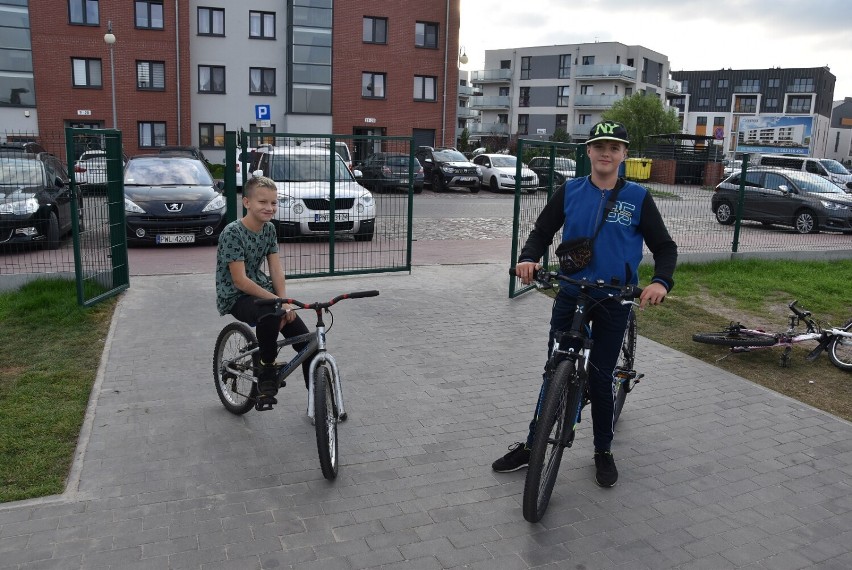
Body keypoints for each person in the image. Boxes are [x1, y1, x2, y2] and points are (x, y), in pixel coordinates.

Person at [492, 121, 678, 487]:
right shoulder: (571, 190)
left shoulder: (638, 197)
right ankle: (533, 445)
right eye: (599, 146)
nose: (606, 153)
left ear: (624, 154)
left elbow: (665, 248)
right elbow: (542, 232)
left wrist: (660, 282)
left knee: (601, 374)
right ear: (589, 152)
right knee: (555, 367)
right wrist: (529, 258)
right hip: (572, 290)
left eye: (614, 147)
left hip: (614, 297)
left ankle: (603, 450)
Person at [215, 173, 310, 406]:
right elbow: (240, 281)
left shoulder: (268, 230)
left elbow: (276, 270)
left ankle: (318, 403)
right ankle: (265, 369)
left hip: (262, 290)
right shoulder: (232, 233)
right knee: (271, 312)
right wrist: (279, 301)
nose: (269, 208)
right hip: (236, 296)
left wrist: (284, 299)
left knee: (308, 346)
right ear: (247, 202)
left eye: (274, 202)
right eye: (263, 202)